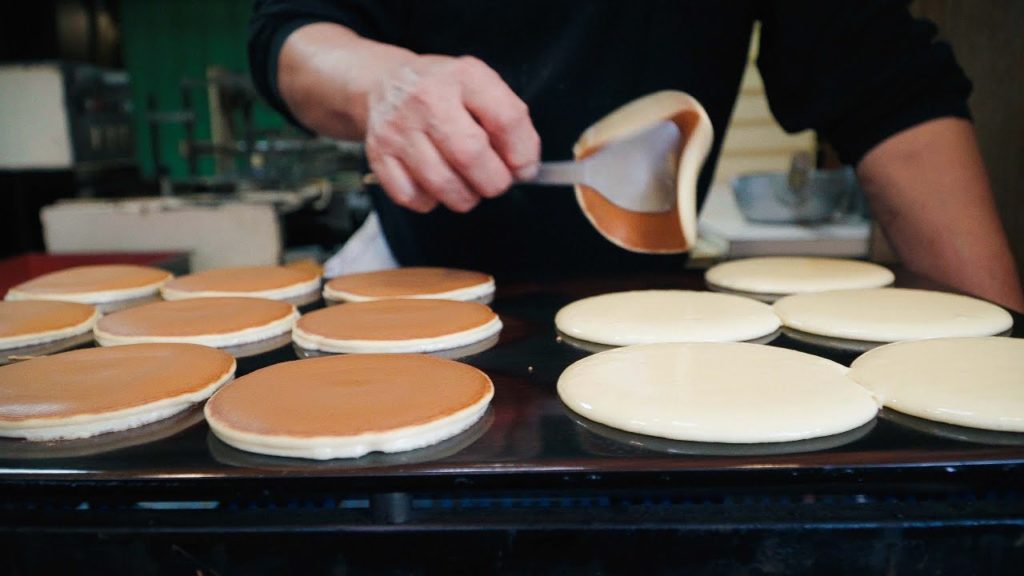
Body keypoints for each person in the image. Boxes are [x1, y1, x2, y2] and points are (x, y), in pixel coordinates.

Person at [250, 0, 1024, 312]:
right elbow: (291, 31)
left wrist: (999, 360)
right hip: (410, 278)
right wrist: (381, 81)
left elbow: (883, 85)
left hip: (651, 297)